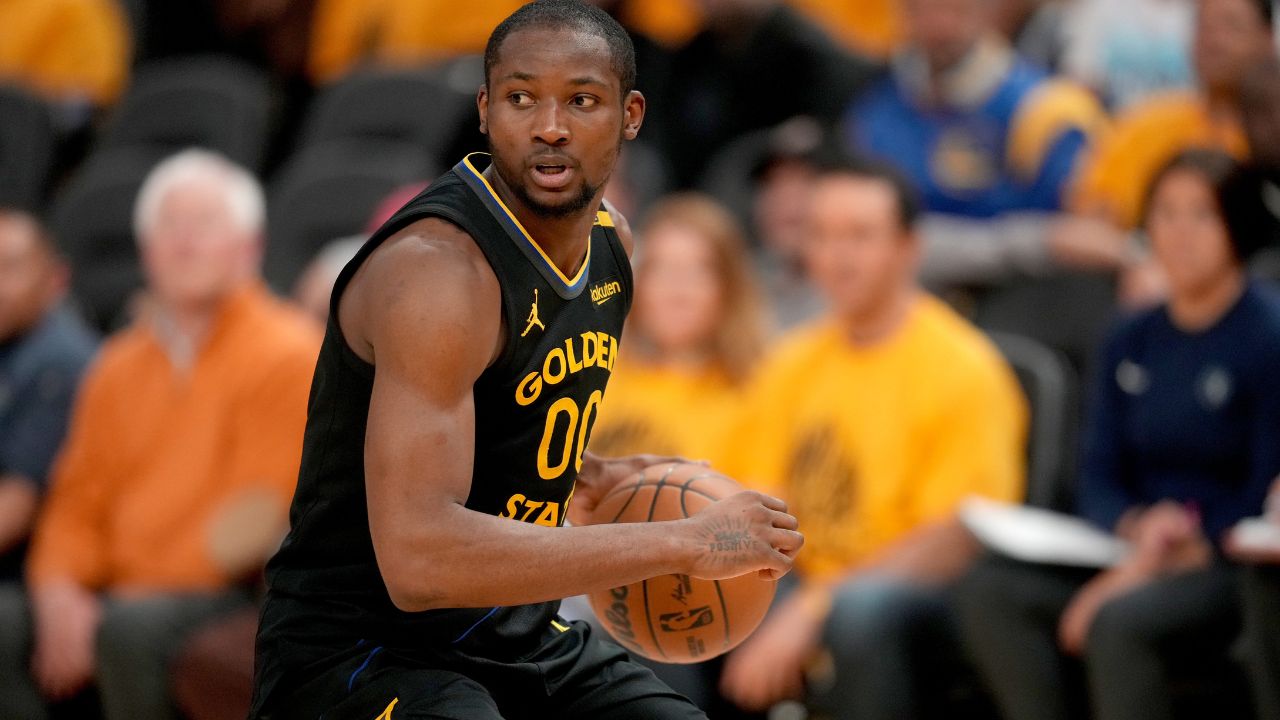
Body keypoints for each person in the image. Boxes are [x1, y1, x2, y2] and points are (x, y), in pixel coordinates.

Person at [251, 3, 802, 720]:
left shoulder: (613, 250)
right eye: (521, 98)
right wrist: (679, 541)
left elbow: (498, 437)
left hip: (513, 632)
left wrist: (596, 478)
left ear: (631, 115)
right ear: (484, 111)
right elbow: (419, 560)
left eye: (581, 100)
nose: (550, 126)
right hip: (361, 650)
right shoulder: (437, 276)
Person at [955, 149, 1280, 720]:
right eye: (1166, 213)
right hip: (1130, 542)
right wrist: (1134, 524)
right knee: (990, 591)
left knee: (1119, 622)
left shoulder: (1266, 335)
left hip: (1220, 559)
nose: (1180, 234)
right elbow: (1097, 470)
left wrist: (1168, 548)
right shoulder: (1129, 336)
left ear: (1238, 223)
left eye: (1201, 215)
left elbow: (1263, 485)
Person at [0, 149, 321, 720]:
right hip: (120, 586)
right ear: (146, 252)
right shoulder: (116, 364)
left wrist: (119, 592)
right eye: (168, 227)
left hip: (220, 586)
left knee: (127, 630)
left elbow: (255, 516)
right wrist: (58, 587)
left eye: (204, 225)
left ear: (249, 248)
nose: (184, 242)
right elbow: (77, 497)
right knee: (6, 620)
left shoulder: (289, 351)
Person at [720, 156, 1027, 719]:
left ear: (909, 247)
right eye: (822, 236)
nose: (837, 257)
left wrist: (814, 609)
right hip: (803, 580)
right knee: (684, 600)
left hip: (912, 596)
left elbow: (956, 536)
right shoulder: (790, 363)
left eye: (860, 236)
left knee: (858, 610)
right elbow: (751, 497)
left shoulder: (965, 369)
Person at [843, 0, 1105, 219]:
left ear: (987, 10)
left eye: (954, 9)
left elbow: (1069, 236)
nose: (939, 26)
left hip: (1010, 278)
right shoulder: (876, 102)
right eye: (921, 9)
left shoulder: (1047, 110)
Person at [590, 193, 768, 480]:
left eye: (698, 271)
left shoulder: (761, 394)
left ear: (730, 287)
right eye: (662, 269)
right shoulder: (595, 375)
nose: (677, 291)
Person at [1072, 0, 1274, 231]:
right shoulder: (1147, 122)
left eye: (1231, 26)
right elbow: (1093, 209)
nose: (1213, 40)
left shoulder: (1271, 137)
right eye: (1204, 26)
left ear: (1268, 39)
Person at [0, 211, 96, 583]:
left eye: (10, 268)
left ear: (55, 279)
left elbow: (17, 505)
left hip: (30, 574)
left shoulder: (62, 361)